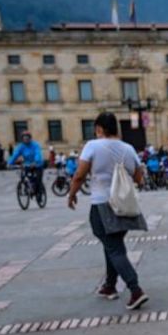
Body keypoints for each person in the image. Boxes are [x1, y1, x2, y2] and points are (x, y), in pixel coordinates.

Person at [67, 112, 150, 310]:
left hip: (102, 204)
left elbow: (79, 175)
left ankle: (135, 289)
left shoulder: (93, 146)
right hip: (123, 205)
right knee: (112, 244)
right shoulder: (128, 148)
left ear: (99, 128)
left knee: (114, 248)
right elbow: (139, 179)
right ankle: (109, 286)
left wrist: (72, 194)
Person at [7, 130, 44, 197]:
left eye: (27, 138)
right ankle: (27, 188)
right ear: (22, 139)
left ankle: (39, 192)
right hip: (27, 164)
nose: (26, 139)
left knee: (38, 179)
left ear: (30, 138)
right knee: (23, 176)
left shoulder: (35, 145)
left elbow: (37, 154)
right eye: (24, 138)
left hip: (37, 164)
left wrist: (35, 161)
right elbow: (15, 155)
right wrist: (10, 163)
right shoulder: (21, 146)